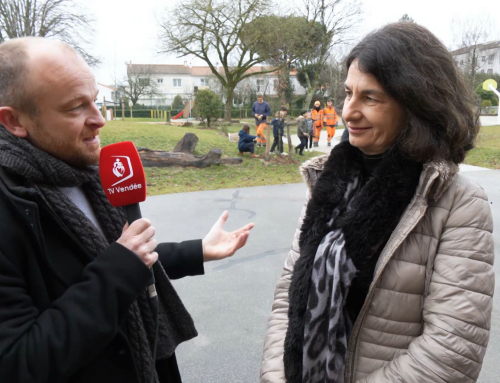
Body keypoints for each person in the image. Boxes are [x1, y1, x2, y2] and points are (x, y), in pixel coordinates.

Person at [0, 37, 255, 383]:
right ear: (15, 121)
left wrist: (198, 251)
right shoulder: (11, 208)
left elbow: (126, 258)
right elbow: (18, 363)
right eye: (76, 107)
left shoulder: (88, 172)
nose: (99, 119)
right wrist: (119, 267)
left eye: (95, 99)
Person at [261, 22, 494, 383]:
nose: (348, 111)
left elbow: (452, 351)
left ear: (415, 105)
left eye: (369, 98)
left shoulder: (459, 204)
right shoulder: (328, 186)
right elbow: (286, 302)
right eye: (347, 93)